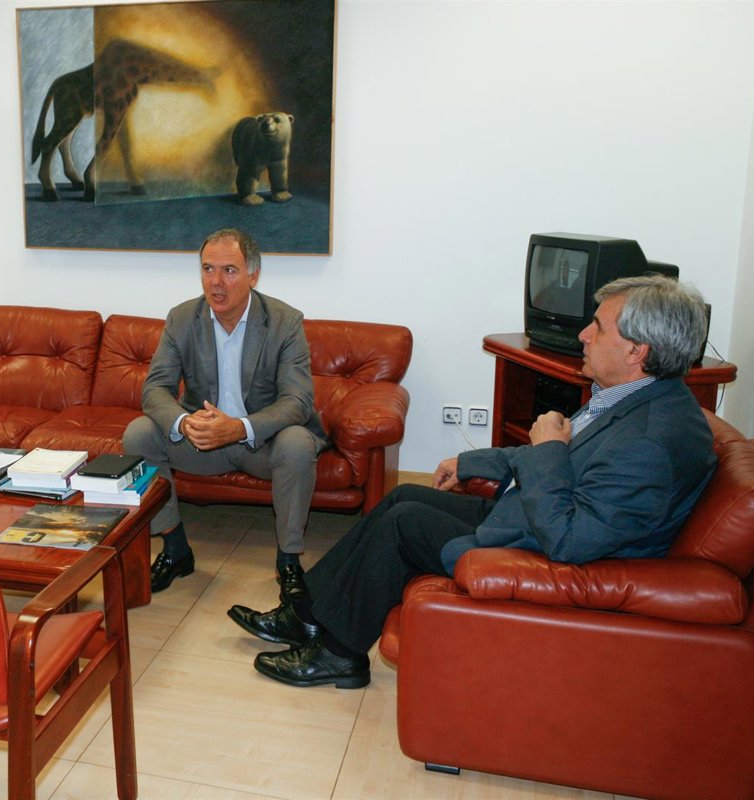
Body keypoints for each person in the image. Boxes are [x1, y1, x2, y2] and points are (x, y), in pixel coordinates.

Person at [228, 275, 716, 689]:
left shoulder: (649, 442)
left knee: (403, 524)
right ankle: (307, 616)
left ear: (636, 351)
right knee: (403, 497)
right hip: (531, 513)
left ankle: (338, 655)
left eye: (599, 327)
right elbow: (571, 466)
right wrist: (471, 462)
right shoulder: (635, 399)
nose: (584, 335)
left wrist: (548, 449)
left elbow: (570, 540)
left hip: (539, 545)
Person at [123, 228, 327, 595]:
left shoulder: (285, 321)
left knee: (298, 443)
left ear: (253, 275)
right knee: (139, 433)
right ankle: (175, 548)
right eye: (207, 269)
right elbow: (155, 388)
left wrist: (239, 428)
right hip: (202, 444)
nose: (216, 282)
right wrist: (185, 422)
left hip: (264, 444)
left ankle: (289, 562)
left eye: (229, 270)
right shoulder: (182, 318)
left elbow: (297, 401)